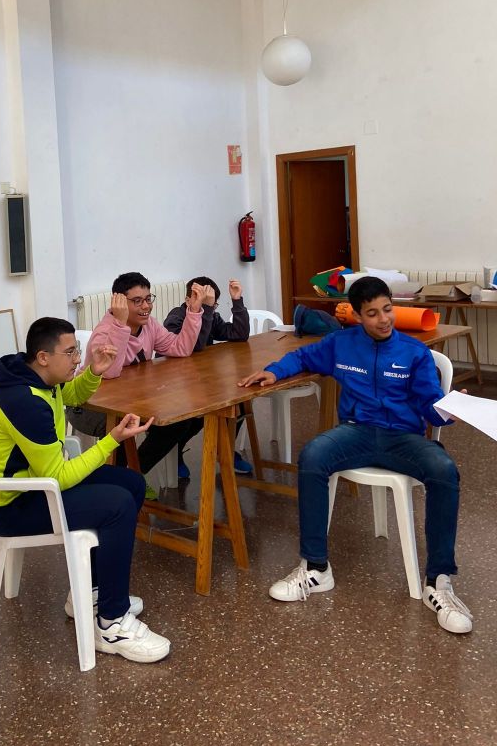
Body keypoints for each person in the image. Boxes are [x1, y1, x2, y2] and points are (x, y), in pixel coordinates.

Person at [239, 275, 472, 635]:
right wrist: (273, 371)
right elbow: (301, 356)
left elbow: (431, 406)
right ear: (358, 316)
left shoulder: (415, 353)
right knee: (313, 456)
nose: (384, 319)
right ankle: (316, 568)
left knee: (444, 469)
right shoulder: (340, 344)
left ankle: (438, 582)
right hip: (356, 432)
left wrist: (450, 410)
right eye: (373, 313)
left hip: (402, 438)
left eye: (388, 309)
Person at [0, 316, 171, 663]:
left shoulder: (32, 375)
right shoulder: (24, 402)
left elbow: (69, 394)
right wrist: (111, 440)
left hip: (32, 485)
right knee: (119, 504)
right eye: (71, 352)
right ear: (43, 357)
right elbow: (58, 477)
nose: (77, 358)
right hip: (10, 507)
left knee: (132, 482)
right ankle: (112, 624)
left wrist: (93, 372)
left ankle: (90, 595)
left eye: (77, 350)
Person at [77, 271, 207, 497]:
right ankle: (119, 485)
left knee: (183, 420)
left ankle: (133, 474)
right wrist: (119, 324)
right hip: (89, 407)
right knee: (124, 425)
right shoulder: (104, 332)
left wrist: (194, 311)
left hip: (133, 401)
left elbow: (180, 348)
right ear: (119, 302)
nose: (146, 306)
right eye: (137, 301)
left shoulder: (149, 326)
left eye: (148, 299)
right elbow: (110, 372)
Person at [161, 276, 253, 479]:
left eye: (213, 305)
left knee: (239, 399)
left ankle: (225, 448)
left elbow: (239, 334)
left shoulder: (212, 316)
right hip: (175, 384)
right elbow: (195, 346)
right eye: (206, 304)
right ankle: (174, 451)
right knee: (194, 417)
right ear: (188, 300)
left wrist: (237, 301)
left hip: (201, 379)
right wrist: (207, 310)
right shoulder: (176, 317)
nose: (209, 310)